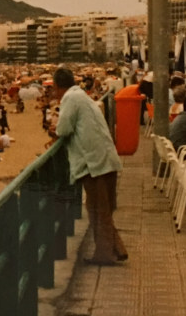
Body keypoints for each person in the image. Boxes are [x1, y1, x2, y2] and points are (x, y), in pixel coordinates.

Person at [52, 67, 127, 266]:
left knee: (97, 207)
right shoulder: (82, 96)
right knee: (103, 207)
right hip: (105, 156)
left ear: (58, 87)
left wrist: (55, 129)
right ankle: (117, 248)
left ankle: (105, 254)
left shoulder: (70, 98)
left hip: (94, 162)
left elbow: (64, 128)